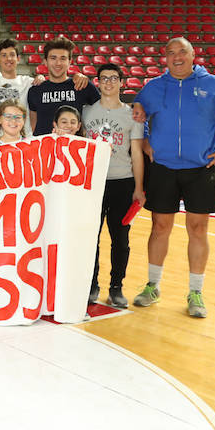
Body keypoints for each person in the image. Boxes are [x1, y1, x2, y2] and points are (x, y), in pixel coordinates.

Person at [131, 37, 215, 318]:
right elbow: (138, 113)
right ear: (165, 59)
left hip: (201, 168)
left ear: (193, 54)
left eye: (181, 51)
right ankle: (152, 286)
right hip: (163, 167)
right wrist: (146, 139)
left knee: (198, 229)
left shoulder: (213, 85)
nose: (176, 57)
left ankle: (196, 292)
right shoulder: (154, 87)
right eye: (170, 53)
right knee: (160, 227)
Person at [82, 64, 146, 308]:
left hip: (123, 182)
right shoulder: (86, 111)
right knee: (91, 237)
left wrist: (138, 187)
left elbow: (137, 153)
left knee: (120, 238)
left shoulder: (132, 115)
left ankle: (116, 287)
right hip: (92, 183)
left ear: (122, 82)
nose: (108, 82)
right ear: (97, 82)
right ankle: (91, 284)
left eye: (113, 78)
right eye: (103, 78)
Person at [28, 36, 99, 136]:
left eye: (63, 58)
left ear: (69, 62)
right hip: (45, 149)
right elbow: (33, 125)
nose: (58, 63)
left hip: (73, 148)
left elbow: (103, 112)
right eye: (53, 58)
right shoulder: (35, 90)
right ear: (45, 61)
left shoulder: (81, 85)